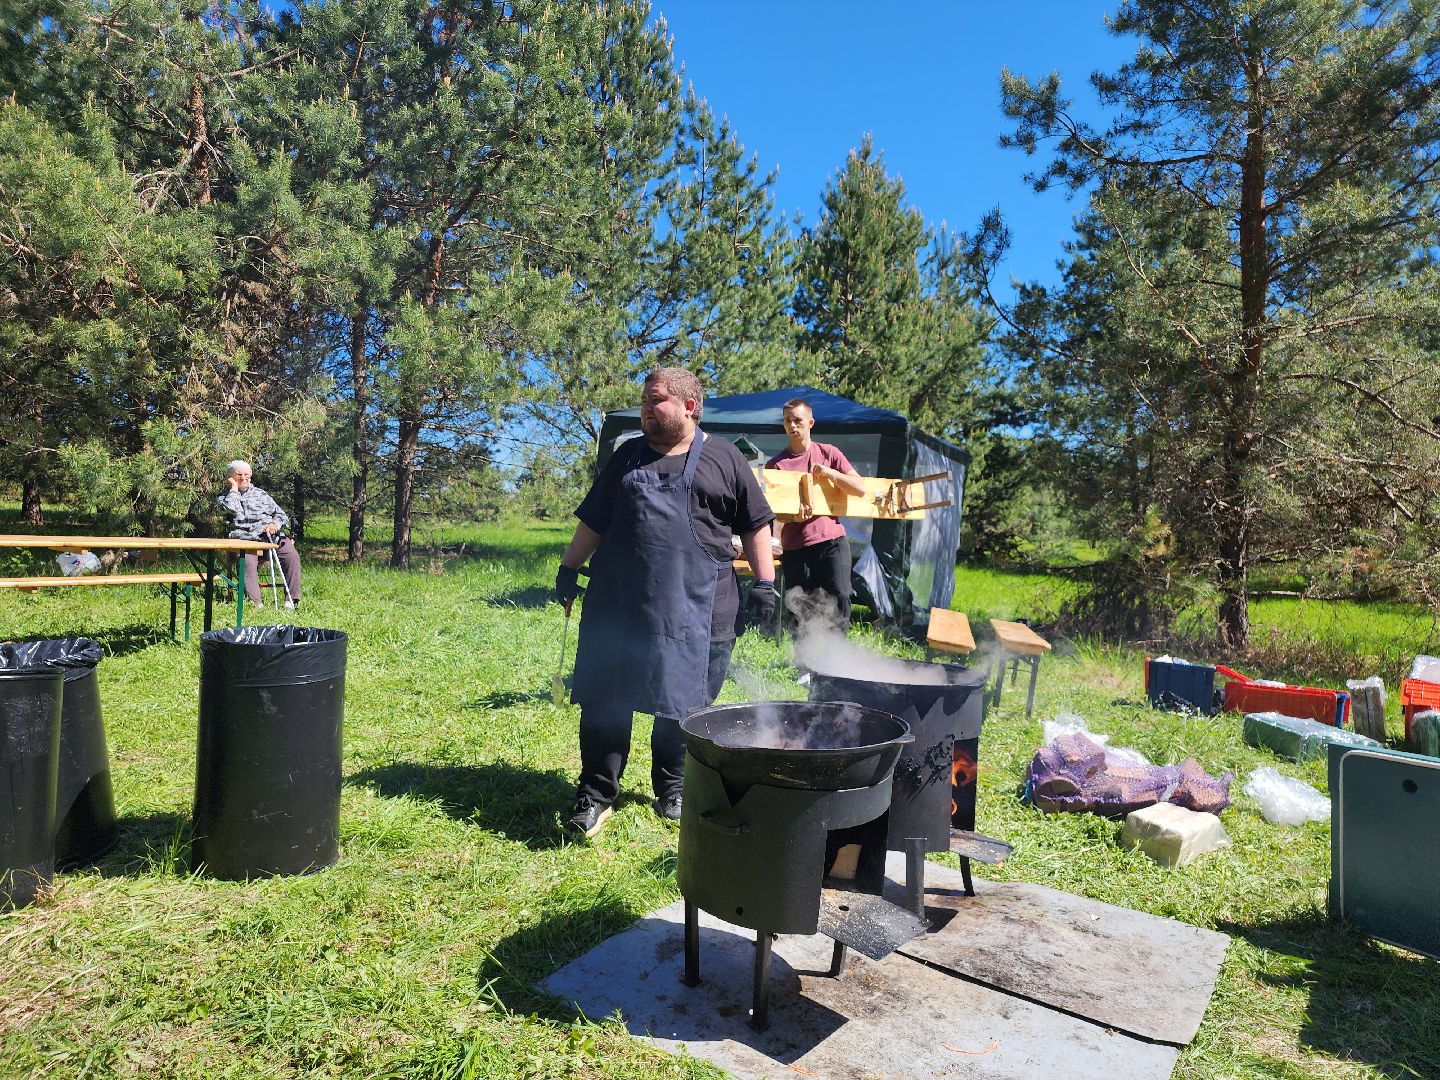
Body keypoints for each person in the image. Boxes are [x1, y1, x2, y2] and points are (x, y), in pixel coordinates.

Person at [555, 368, 776, 839]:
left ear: (689, 405)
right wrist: (569, 567)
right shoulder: (626, 458)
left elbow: (756, 523)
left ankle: (673, 788)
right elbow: (595, 518)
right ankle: (596, 794)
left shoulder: (724, 459)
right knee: (604, 701)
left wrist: (765, 583)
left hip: (694, 611)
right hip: (618, 608)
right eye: (643, 400)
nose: (645, 408)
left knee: (682, 704)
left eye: (656, 400)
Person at [766, 398, 867, 631]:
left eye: (797, 420)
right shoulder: (776, 465)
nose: (792, 426)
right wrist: (794, 518)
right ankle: (805, 664)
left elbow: (859, 488)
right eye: (787, 421)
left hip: (832, 542)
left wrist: (830, 473)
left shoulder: (829, 453)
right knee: (801, 608)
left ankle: (836, 661)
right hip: (795, 548)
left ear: (810, 422)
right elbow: (773, 513)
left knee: (840, 598)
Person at [218, 460, 301, 611]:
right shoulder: (224, 497)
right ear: (230, 478)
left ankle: (291, 600)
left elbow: (281, 514)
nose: (243, 478)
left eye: (246, 474)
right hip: (245, 542)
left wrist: (275, 524)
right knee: (247, 562)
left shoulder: (261, 494)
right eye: (239, 475)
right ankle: (256, 605)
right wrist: (234, 489)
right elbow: (231, 509)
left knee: (291, 555)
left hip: (269, 537)